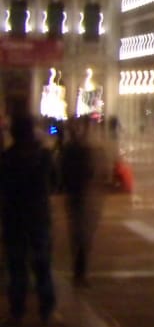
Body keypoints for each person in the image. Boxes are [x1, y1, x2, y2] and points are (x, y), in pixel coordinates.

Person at [1, 108, 56, 325]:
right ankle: (46, 308)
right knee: (42, 263)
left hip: (14, 217)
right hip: (39, 215)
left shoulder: (7, 158)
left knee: (17, 266)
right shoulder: (44, 157)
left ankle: (17, 311)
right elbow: (55, 182)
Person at [60, 118, 104, 287]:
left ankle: (79, 270)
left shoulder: (69, 149)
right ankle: (80, 271)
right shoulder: (84, 150)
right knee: (83, 234)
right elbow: (95, 172)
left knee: (78, 232)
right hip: (83, 195)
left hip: (77, 195)